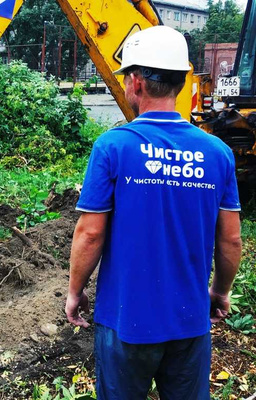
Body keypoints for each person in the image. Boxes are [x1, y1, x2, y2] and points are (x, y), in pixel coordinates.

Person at [65, 25, 242, 400]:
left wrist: (75, 290)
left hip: (125, 322)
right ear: (180, 82)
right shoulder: (218, 153)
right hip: (190, 323)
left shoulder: (113, 146)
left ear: (135, 82)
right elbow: (230, 239)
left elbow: (90, 233)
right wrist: (220, 291)